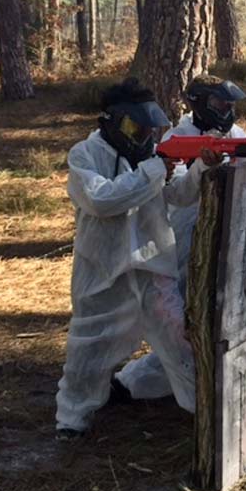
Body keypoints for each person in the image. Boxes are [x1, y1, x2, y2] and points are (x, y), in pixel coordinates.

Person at [55, 78, 221, 440]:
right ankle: (71, 419)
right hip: (103, 271)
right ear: (113, 121)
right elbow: (102, 200)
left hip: (152, 269)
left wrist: (200, 168)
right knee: (89, 348)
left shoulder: (152, 155)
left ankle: (209, 411)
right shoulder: (85, 155)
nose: (145, 134)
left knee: (180, 342)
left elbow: (180, 195)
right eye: (137, 127)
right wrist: (155, 170)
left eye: (149, 127)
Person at [111, 75, 246, 401]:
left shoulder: (237, 134)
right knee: (186, 319)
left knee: (217, 314)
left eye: (229, 104)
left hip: (230, 231)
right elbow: (179, 193)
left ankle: (196, 381)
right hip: (187, 234)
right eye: (219, 103)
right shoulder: (177, 138)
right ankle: (134, 382)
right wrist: (202, 165)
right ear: (198, 103)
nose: (226, 110)